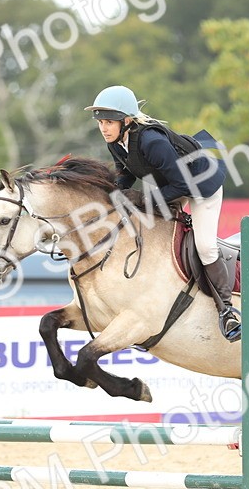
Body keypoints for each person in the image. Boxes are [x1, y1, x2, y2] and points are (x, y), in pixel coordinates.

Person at [85, 84, 240, 342]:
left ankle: (226, 310)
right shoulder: (115, 141)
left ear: (126, 120)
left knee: (204, 246)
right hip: (174, 183)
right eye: (101, 122)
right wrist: (113, 194)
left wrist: (146, 201)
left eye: (109, 122)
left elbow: (183, 186)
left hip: (201, 184)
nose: (104, 127)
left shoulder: (152, 142)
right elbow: (124, 173)